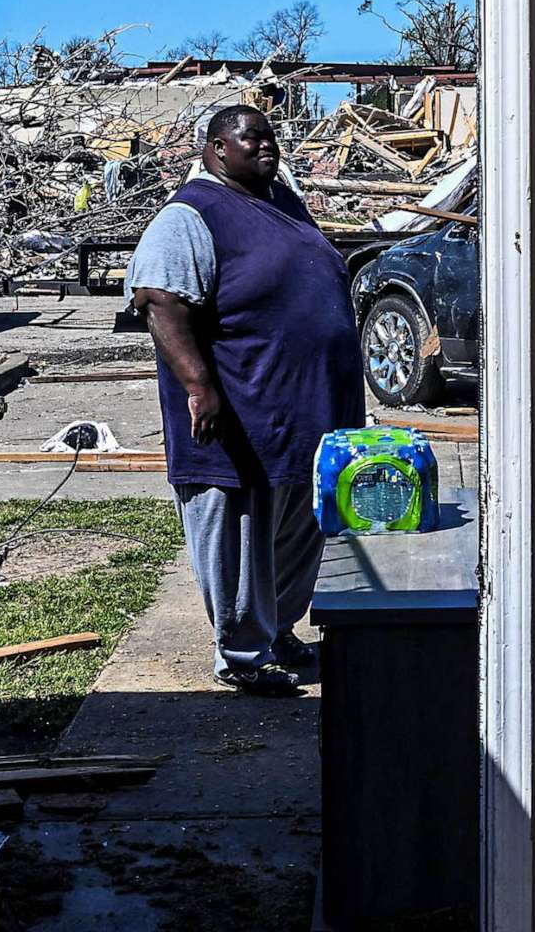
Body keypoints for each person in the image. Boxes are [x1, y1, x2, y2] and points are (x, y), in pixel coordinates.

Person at [126, 104, 364, 694]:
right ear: (215, 149)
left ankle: (277, 629)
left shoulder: (281, 203)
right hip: (241, 412)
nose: (266, 147)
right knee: (238, 532)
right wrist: (200, 387)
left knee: (296, 528)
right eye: (250, 137)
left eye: (271, 138)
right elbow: (159, 298)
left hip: (303, 413)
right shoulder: (192, 214)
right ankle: (241, 654)